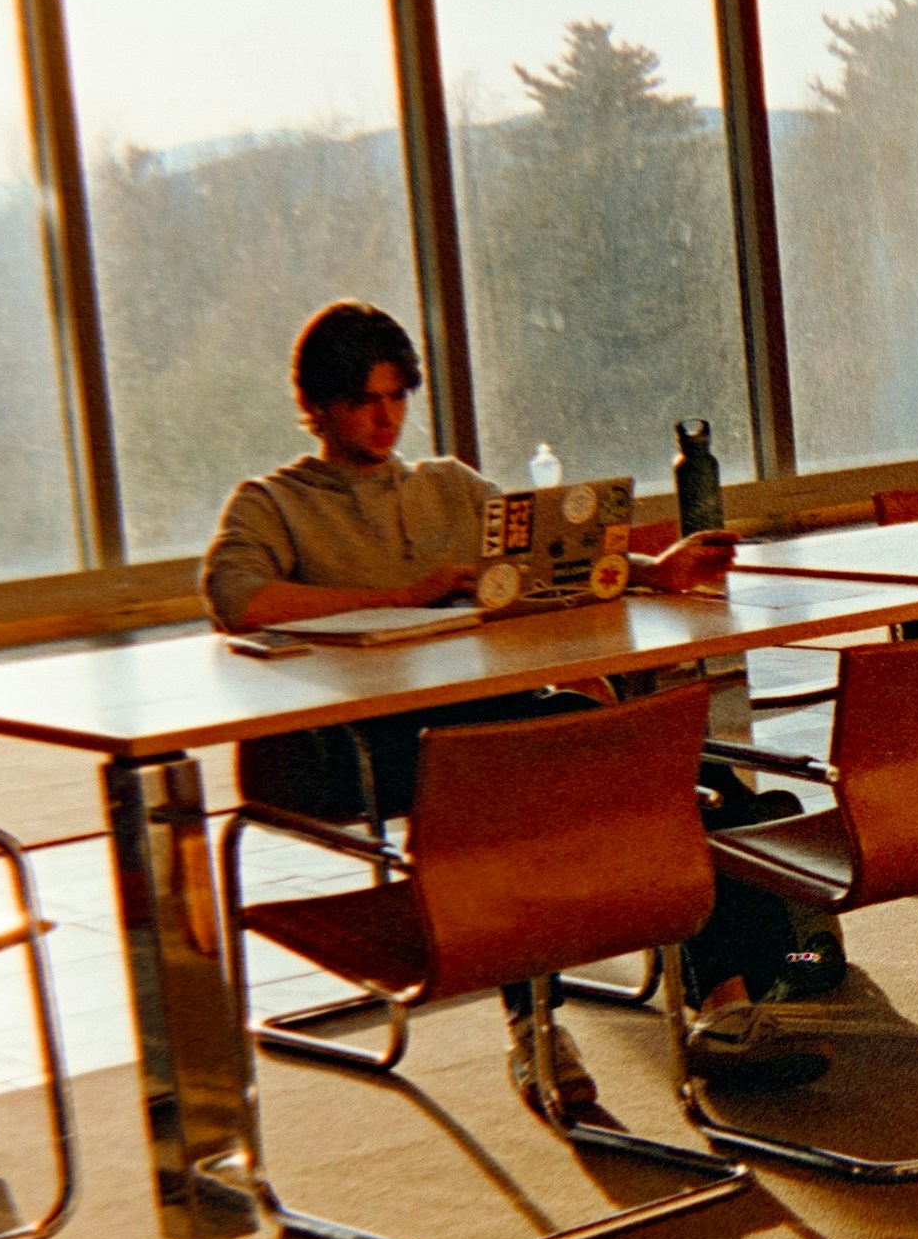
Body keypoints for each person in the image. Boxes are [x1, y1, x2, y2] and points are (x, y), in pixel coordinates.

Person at [205, 302, 822, 1094]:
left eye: (396, 396)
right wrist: (403, 597)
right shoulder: (274, 503)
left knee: (652, 763)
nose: (385, 416)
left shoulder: (448, 487)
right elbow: (237, 596)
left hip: (488, 723)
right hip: (356, 748)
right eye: (363, 399)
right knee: (522, 776)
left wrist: (649, 572)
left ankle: (726, 1004)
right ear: (317, 407)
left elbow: (546, 564)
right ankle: (536, 1025)